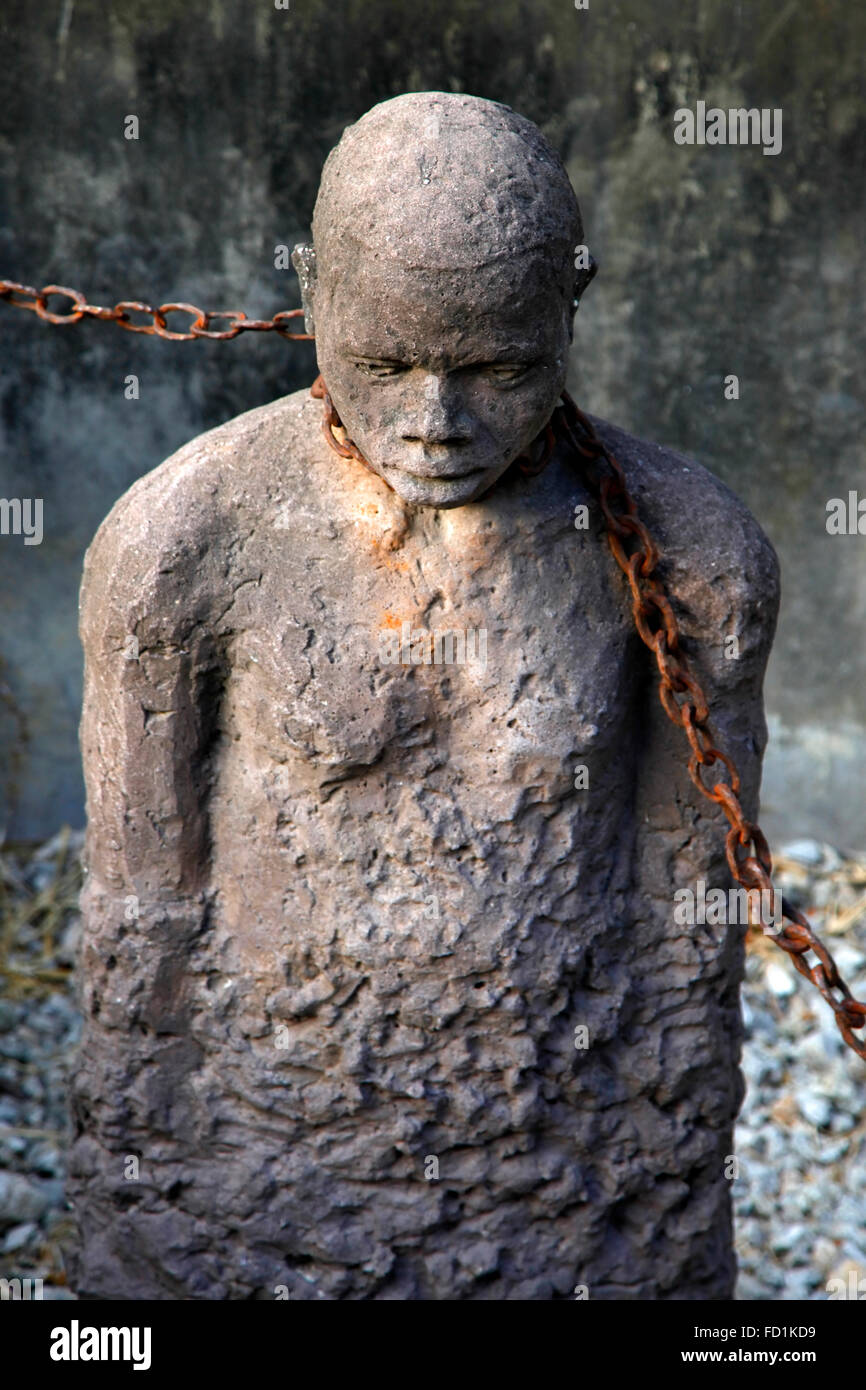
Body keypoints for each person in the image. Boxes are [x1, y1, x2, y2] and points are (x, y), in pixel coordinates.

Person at [70, 92, 779, 1300]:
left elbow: (687, 913)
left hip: (571, 1164)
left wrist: (664, 1135)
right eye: (384, 364)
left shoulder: (689, 553)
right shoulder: (181, 544)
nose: (435, 422)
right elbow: (142, 911)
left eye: (496, 368)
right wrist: (146, 1166)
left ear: (571, 300)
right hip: (263, 1164)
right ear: (312, 297)